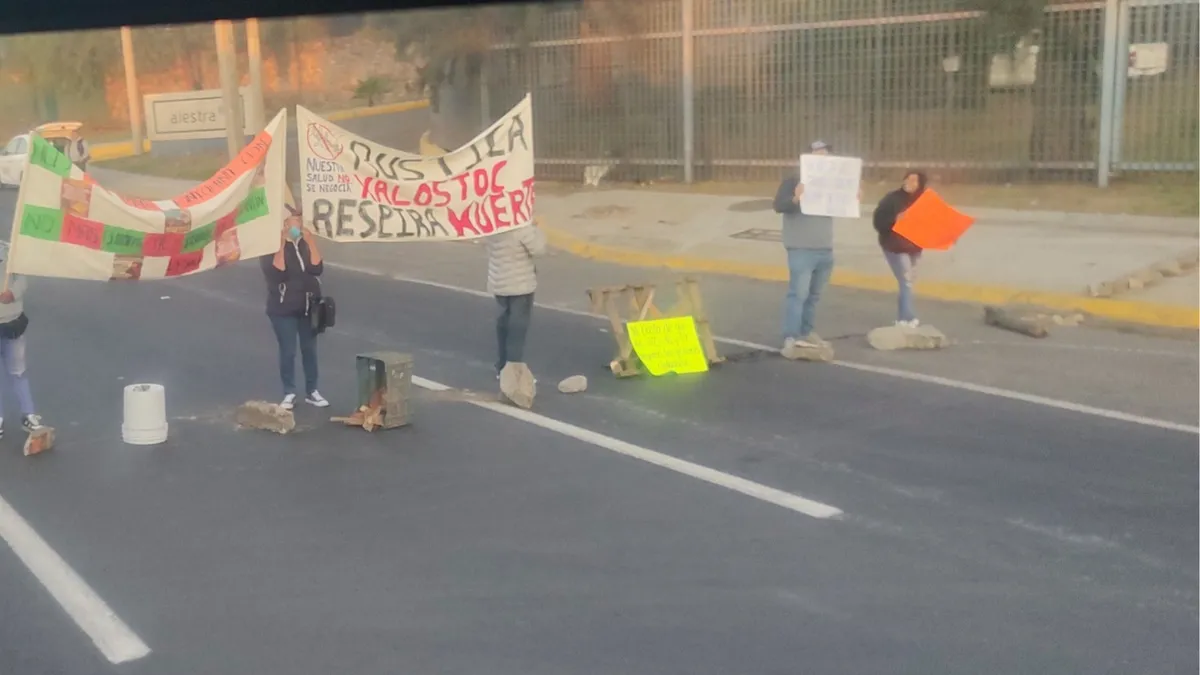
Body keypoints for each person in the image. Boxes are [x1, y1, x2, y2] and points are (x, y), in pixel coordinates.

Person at [773, 139, 839, 350]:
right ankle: (791, 336)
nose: (822, 158)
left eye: (826, 154)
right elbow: (779, 205)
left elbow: (842, 206)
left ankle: (807, 332)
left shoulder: (833, 182)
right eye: (817, 154)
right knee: (798, 294)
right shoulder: (793, 180)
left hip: (824, 247)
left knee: (814, 296)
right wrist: (796, 198)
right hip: (801, 247)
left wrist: (853, 199)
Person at [261, 206, 328, 410]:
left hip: (307, 307)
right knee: (288, 351)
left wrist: (310, 241)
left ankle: (312, 391)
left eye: (298, 221)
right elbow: (277, 273)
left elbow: (317, 268)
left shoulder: (304, 245)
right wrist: (281, 243)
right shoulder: (269, 248)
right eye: (292, 222)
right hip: (283, 309)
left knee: (310, 350)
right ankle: (289, 392)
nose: (296, 225)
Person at [486, 222, 547, 378]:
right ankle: (513, 372)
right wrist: (536, 228)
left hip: (499, 282)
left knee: (503, 325)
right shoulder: (521, 228)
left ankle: (502, 366)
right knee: (517, 329)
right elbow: (539, 249)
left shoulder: (492, 225)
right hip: (520, 285)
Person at [872, 171, 928, 328]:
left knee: (908, 281)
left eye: (914, 181)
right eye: (907, 179)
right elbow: (878, 221)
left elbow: (933, 223)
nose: (909, 183)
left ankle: (904, 317)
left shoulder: (923, 201)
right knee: (906, 280)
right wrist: (894, 220)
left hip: (914, 247)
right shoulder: (892, 199)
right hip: (895, 247)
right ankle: (906, 318)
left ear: (920, 184)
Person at [0, 242, 44, 437]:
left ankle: (28, 415)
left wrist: (12, 293)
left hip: (12, 323)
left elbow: (22, 280)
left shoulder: (10, 250)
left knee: (18, 372)